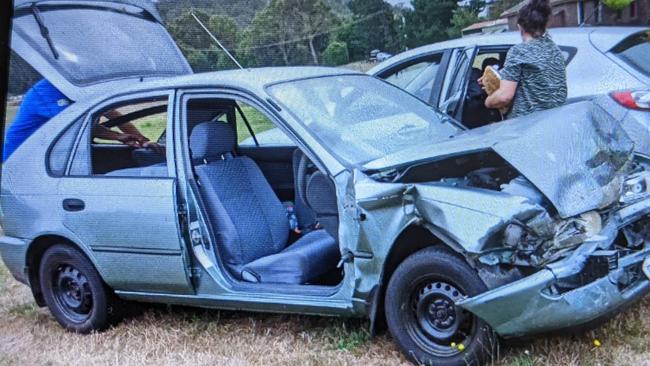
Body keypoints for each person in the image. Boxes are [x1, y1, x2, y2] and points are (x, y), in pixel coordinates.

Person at [3, 79, 150, 161]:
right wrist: (118, 136)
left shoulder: (81, 87)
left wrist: (143, 140)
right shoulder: (45, 91)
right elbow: (77, 125)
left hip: (54, 152)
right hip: (21, 155)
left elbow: (115, 115)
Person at [482, 0, 567, 119]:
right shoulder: (555, 50)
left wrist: (488, 101)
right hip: (553, 123)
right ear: (544, 25)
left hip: (527, 128)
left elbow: (504, 97)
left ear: (520, 27)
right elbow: (535, 79)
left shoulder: (519, 51)